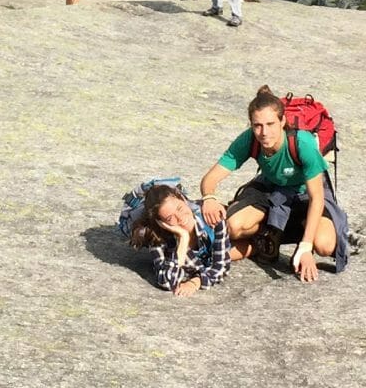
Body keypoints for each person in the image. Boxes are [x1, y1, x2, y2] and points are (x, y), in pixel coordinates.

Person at [199, 86, 348, 282]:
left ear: (282, 121)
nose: (264, 132)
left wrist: (305, 246)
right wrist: (209, 198)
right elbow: (210, 178)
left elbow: (316, 198)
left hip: (306, 195)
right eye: (257, 125)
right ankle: (266, 238)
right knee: (233, 227)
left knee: (325, 245)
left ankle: (288, 233)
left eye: (270, 124)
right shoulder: (249, 140)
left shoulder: (302, 143)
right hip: (272, 190)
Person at [126, 183, 230, 296]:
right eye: (170, 218)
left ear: (184, 200)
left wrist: (195, 282)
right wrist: (183, 239)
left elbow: (221, 266)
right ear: (161, 223)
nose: (180, 218)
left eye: (180, 208)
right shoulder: (157, 237)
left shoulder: (212, 218)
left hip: (210, 249)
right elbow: (168, 282)